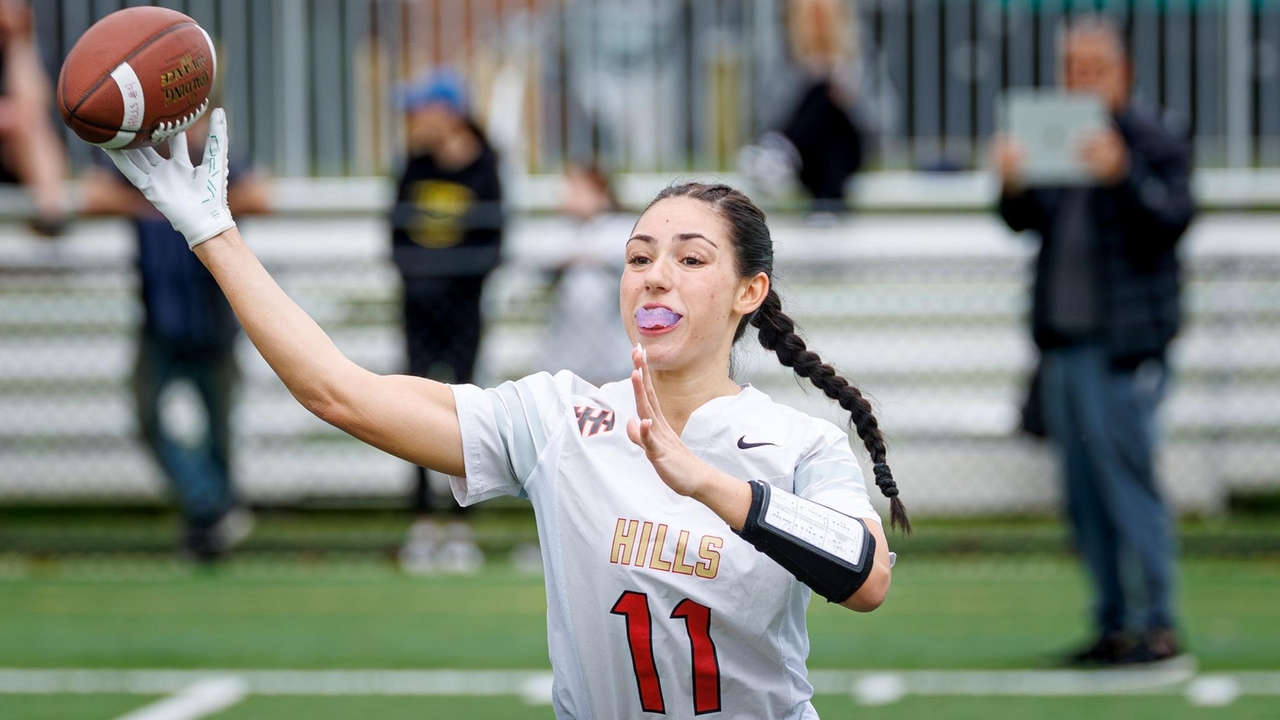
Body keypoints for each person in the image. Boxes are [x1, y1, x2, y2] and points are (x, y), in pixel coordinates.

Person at [103, 108, 907, 717]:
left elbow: (867, 576)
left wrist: (705, 483)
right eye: (638, 257)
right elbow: (337, 391)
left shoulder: (800, 444)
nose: (655, 276)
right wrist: (211, 231)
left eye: (691, 258)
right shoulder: (560, 415)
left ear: (748, 293)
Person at [992, 16, 1195, 665]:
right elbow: (1023, 223)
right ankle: (1112, 623)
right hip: (1063, 346)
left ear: (1123, 72)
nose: (1081, 80)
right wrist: (1011, 181)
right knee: (1083, 498)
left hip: (1123, 348)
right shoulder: (1056, 140)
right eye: (1071, 68)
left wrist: (1124, 172)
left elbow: (1172, 219)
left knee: (1128, 487)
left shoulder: (1152, 137)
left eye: (1094, 68)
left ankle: (1156, 624)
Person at [80, 109, 271, 561]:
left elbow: (263, 196)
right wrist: (158, 203)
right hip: (159, 322)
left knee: (219, 433)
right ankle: (215, 506)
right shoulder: (138, 161)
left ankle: (207, 535)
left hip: (214, 320)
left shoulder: (214, 161)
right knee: (148, 419)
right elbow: (89, 197)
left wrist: (198, 208)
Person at [389, 68, 504, 573]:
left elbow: (495, 239)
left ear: (449, 113)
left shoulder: (486, 166)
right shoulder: (414, 164)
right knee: (408, 412)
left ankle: (461, 526)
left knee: (464, 419)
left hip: (462, 312)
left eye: (422, 110)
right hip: (417, 311)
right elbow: (394, 232)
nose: (414, 121)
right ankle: (421, 522)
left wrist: (447, 278)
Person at [738, 0, 866, 214]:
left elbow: (877, 115)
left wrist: (843, 84)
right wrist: (810, 74)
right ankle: (827, 204)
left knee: (826, 96)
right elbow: (774, 109)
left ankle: (780, 150)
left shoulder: (858, 50)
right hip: (808, 152)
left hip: (848, 144)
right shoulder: (784, 53)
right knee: (819, 93)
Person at [537, 162, 634, 385]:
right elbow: (542, 257)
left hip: (612, 333)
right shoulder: (559, 230)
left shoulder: (620, 228)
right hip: (566, 334)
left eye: (577, 190)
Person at [0, 0, 68, 236]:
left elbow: (36, 102)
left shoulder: (17, 45)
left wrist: (18, 42)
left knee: (33, 125)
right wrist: (13, 117)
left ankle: (52, 214)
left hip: (12, 154)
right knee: (25, 121)